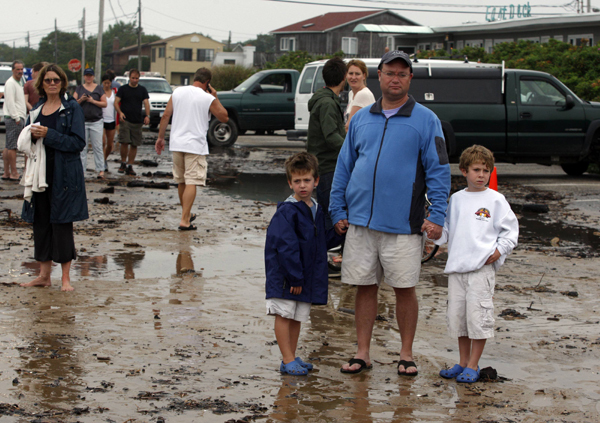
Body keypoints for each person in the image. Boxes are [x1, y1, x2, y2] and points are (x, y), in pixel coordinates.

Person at [330, 50, 451, 375]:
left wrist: (438, 215)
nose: (395, 78)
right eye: (389, 72)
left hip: (403, 225)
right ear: (379, 76)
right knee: (364, 287)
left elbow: (439, 170)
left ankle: (406, 354)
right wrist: (337, 208)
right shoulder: (361, 118)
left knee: (404, 288)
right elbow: (344, 166)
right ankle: (362, 352)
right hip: (360, 223)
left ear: (409, 79)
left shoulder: (427, 120)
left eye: (402, 73)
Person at [435, 145, 518, 383]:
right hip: (457, 269)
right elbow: (447, 232)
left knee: (478, 317)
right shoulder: (457, 199)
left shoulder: (496, 200)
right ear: (464, 171)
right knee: (460, 318)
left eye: (486, 170)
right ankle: (462, 362)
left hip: (481, 270)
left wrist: (499, 249)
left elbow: (511, 232)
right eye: (476, 170)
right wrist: (433, 233)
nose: (481, 175)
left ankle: (474, 363)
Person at [265, 152, 344, 375]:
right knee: (284, 313)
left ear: (316, 181)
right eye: (297, 181)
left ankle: (291, 355)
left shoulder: (315, 209)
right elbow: (286, 248)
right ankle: (287, 358)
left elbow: (318, 242)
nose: (302, 186)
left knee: (297, 316)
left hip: (302, 277)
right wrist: (294, 277)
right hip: (286, 277)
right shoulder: (287, 211)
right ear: (290, 182)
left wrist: (337, 234)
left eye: (307, 180)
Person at [19, 64, 88, 292]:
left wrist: (50, 135)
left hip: (64, 175)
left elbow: (77, 143)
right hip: (39, 174)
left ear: (62, 82)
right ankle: (44, 276)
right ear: (41, 84)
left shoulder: (71, 108)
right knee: (41, 224)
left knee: (61, 223)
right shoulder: (37, 109)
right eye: (47, 80)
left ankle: (65, 279)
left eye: (56, 80)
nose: (51, 84)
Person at [155, 67, 228, 230]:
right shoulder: (206, 97)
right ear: (207, 82)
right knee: (192, 181)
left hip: (177, 142)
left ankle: (186, 214)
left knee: (181, 180)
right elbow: (224, 116)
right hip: (195, 145)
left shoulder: (178, 92)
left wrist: (160, 138)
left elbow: (166, 115)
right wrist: (215, 97)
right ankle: (185, 220)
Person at [306, 57, 347, 231]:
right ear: (344, 78)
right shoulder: (328, 103)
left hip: (324, 164)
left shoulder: (325, 99)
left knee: (327, 212)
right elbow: (331, 136)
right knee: (331, 215)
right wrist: (352, 149)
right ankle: (320, 253)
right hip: (327, 166)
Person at [114, 68, 150, 176]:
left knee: (134, 144)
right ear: (129, 78)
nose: (135, 80)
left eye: (137, 78)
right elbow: (116, 102)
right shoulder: (123, 89)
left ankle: (130, 165)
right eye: (133, 78)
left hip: (137, 120)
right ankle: (123, 162)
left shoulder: (142, 90)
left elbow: (146, 103)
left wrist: (147, 116)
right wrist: (120, 112)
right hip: (125, 120)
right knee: (124, 141)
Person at [74, 68, 107, 179]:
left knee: (97, 146)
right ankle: (81, 170)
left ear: (93, 76)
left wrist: (92, 101)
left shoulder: (99, 89)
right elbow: (72, 104)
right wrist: (81, 100)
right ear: (84, 76)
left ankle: (100, 169)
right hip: (82, 122)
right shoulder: (79, 88)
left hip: (96, 121)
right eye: (87, 75)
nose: (88, 77)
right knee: (82, 148)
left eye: (90, 75)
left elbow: (104, 104)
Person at [2, 60, 26, 181]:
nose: (20, 71)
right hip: (13, 118)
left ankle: (6, 173)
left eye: (21, 69)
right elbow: (10, 102)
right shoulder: (10, 83)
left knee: (8, 145)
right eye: (17, 69)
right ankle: (14, 173)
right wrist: (16, 117)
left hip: (16, 116)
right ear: (13, 70)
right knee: (13, 146)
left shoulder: (20, 81)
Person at [345, 59, 375, 131]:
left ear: (364, 76)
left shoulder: (363, 94)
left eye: (357, 74)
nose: (353, 77)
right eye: (351, 73)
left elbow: (349, 126)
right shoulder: (351, 93)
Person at [101, 74, 117, 172]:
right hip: (101, 120)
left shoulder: (115, 92)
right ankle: (102, 163)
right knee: (103, 142)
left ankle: (104, 159)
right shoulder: (99, 92)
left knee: (110, 145)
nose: (107, 85)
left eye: (108, 83)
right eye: (105, 83)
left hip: (111, 120)